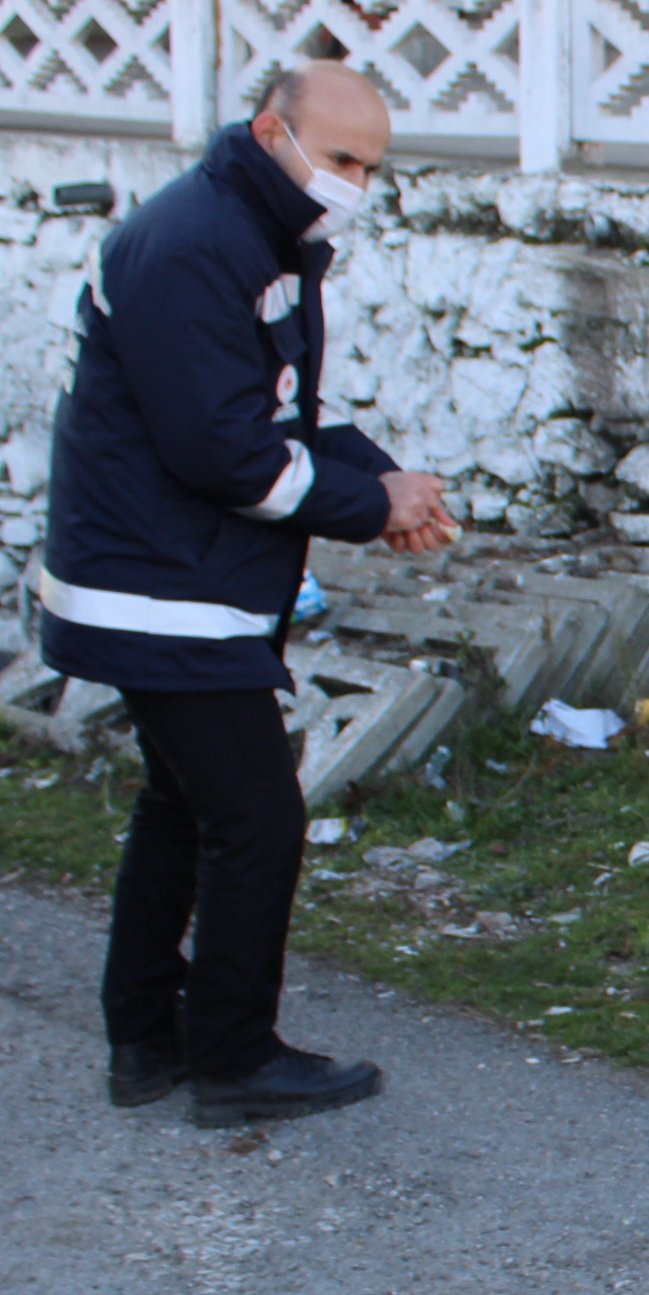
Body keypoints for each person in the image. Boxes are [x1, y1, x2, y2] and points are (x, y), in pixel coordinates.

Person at [35, 61, 458, 1125]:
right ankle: (231, 1055)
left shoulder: (257, 232)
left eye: (372, 166)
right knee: (257, 816)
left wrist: (384, 482)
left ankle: (145, 1039)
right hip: (161, 588)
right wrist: (373, 506)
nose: (356, 183)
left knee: (183, 803)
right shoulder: (195, 245)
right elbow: (229, 454)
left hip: (171, 581)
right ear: (273, 131)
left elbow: (281, 410)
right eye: (344, 158)